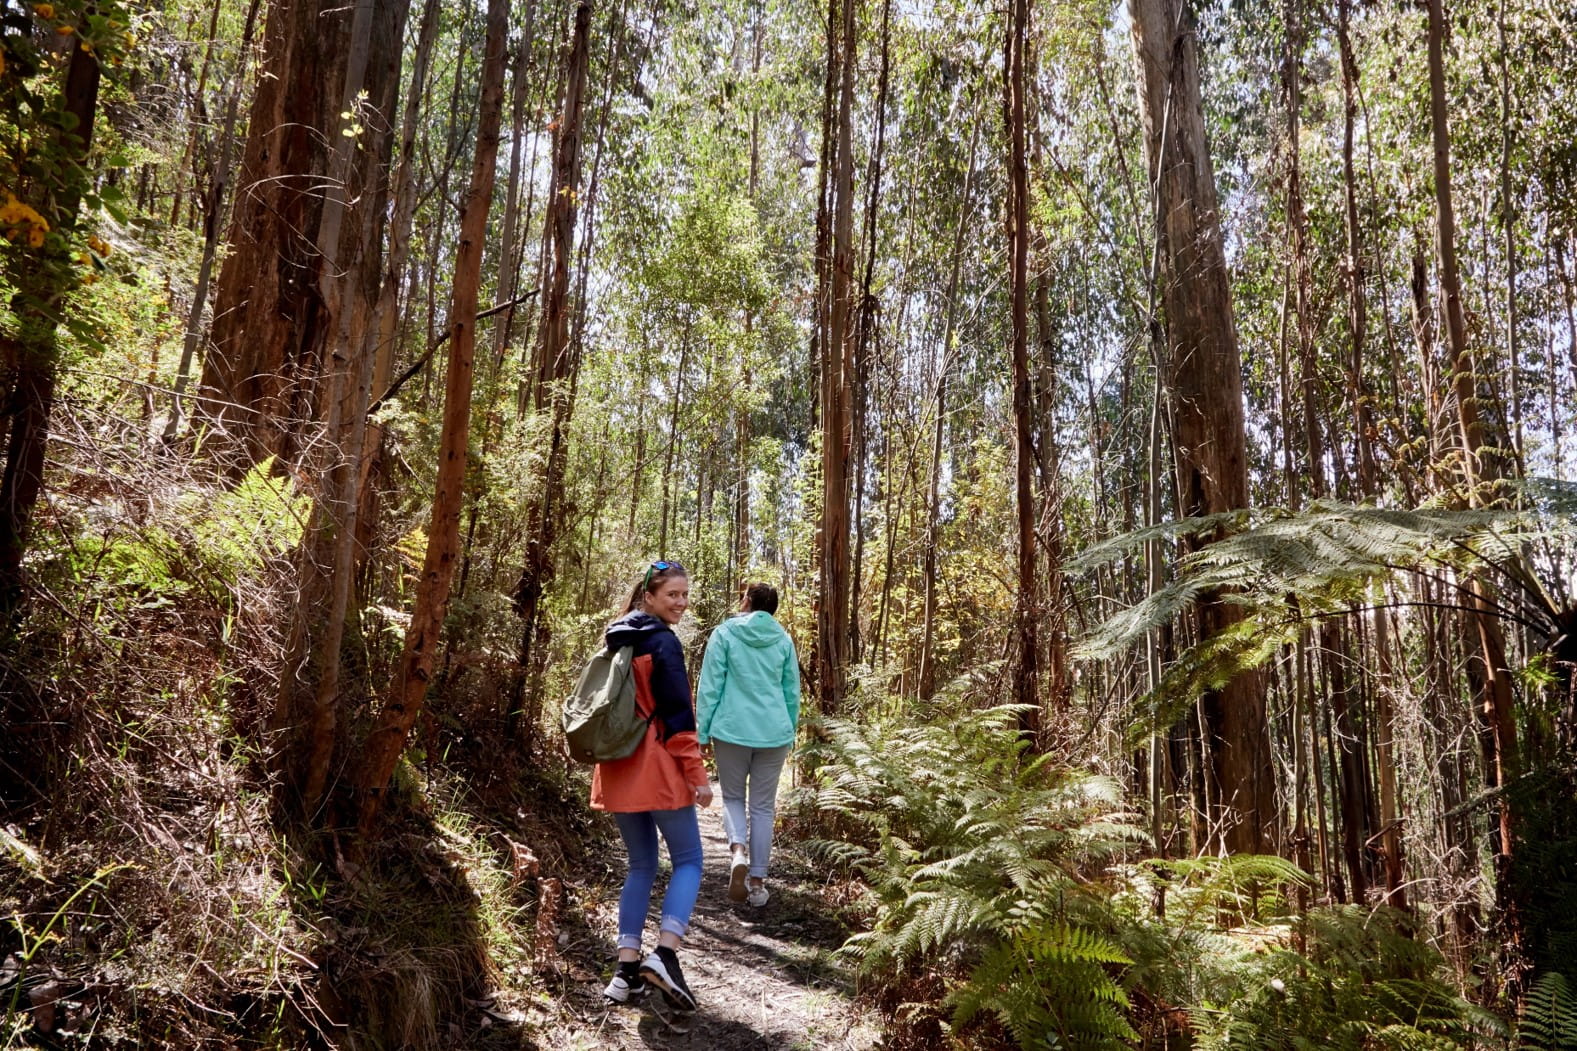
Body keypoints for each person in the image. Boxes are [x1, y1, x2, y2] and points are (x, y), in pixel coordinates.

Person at [593, 560, 712, 1011]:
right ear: (649, 597)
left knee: (641, 865)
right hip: (658, 768)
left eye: (684, 595)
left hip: (618, 768)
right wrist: (697, 776)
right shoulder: (663, 643)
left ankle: (625, 973)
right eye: (672, 595)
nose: (680, 602)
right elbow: (678, 716)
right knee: (689, 861)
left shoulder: (616, 637)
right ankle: (664, 954)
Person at [695, 582, 801, 907]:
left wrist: (702, 733)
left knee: (732, 797)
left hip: (731, 730)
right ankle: (757, 884)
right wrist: (790, 729)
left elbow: (710, 684)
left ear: (747, 602)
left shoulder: (725, 634)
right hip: (774, 733)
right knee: (763, 807)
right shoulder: (783, 640)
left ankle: (737, 851)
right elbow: (791, 691)